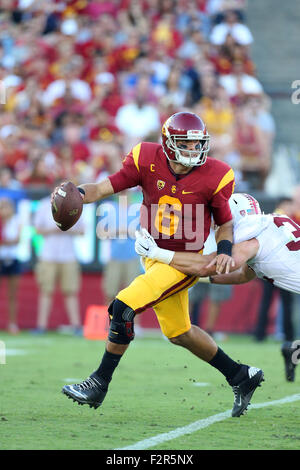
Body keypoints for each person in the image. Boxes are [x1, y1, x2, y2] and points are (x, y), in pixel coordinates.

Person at [55, 111, 263, 418]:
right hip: (152, 255)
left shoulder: (217, 174)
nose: (194, 151)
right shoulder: (145, 157)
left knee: (123, 307)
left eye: (197, 144)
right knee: (179, 332)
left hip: (183, 262)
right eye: (186, 144)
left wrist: (224, 250)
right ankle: (241, 376)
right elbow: (105, 187)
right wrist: (77, 194)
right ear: (168, 143)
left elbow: (225, 224)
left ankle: (98, 382)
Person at [135, 192, 300, 382]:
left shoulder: (250, 242)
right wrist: (201, 279)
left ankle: (293, 350)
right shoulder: (271, 223)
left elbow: (210, 266)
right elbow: (242, 276)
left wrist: (158, 253)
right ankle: (294, 350)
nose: (220, 224)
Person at [33, 191, 85, 334]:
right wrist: (55, 229)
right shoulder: (44, 205)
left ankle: (76, 326)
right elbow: (37, 229)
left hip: (68, 255)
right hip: (48, 255)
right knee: (46, 291)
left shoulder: (75, 205)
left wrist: (65, 228)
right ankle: (41, 326)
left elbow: (82, 231)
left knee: (70, 291)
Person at [0, 197, 22, 334]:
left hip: (13, 258)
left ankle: (12, 323)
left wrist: (6, 241)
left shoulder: (16, 221)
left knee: (12, 294)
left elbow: (17, 240)